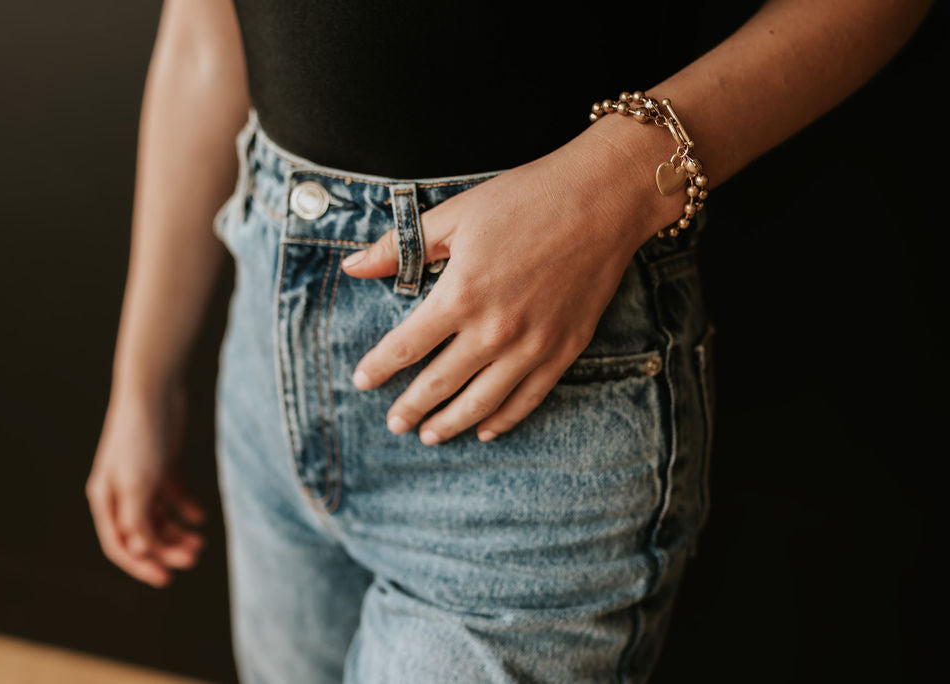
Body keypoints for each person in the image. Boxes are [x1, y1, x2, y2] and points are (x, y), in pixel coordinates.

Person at [85, 1, 933, 681]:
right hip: (267, 369)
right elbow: (204, 35)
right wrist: (142, 382)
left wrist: (624, 178)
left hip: (535, 407)